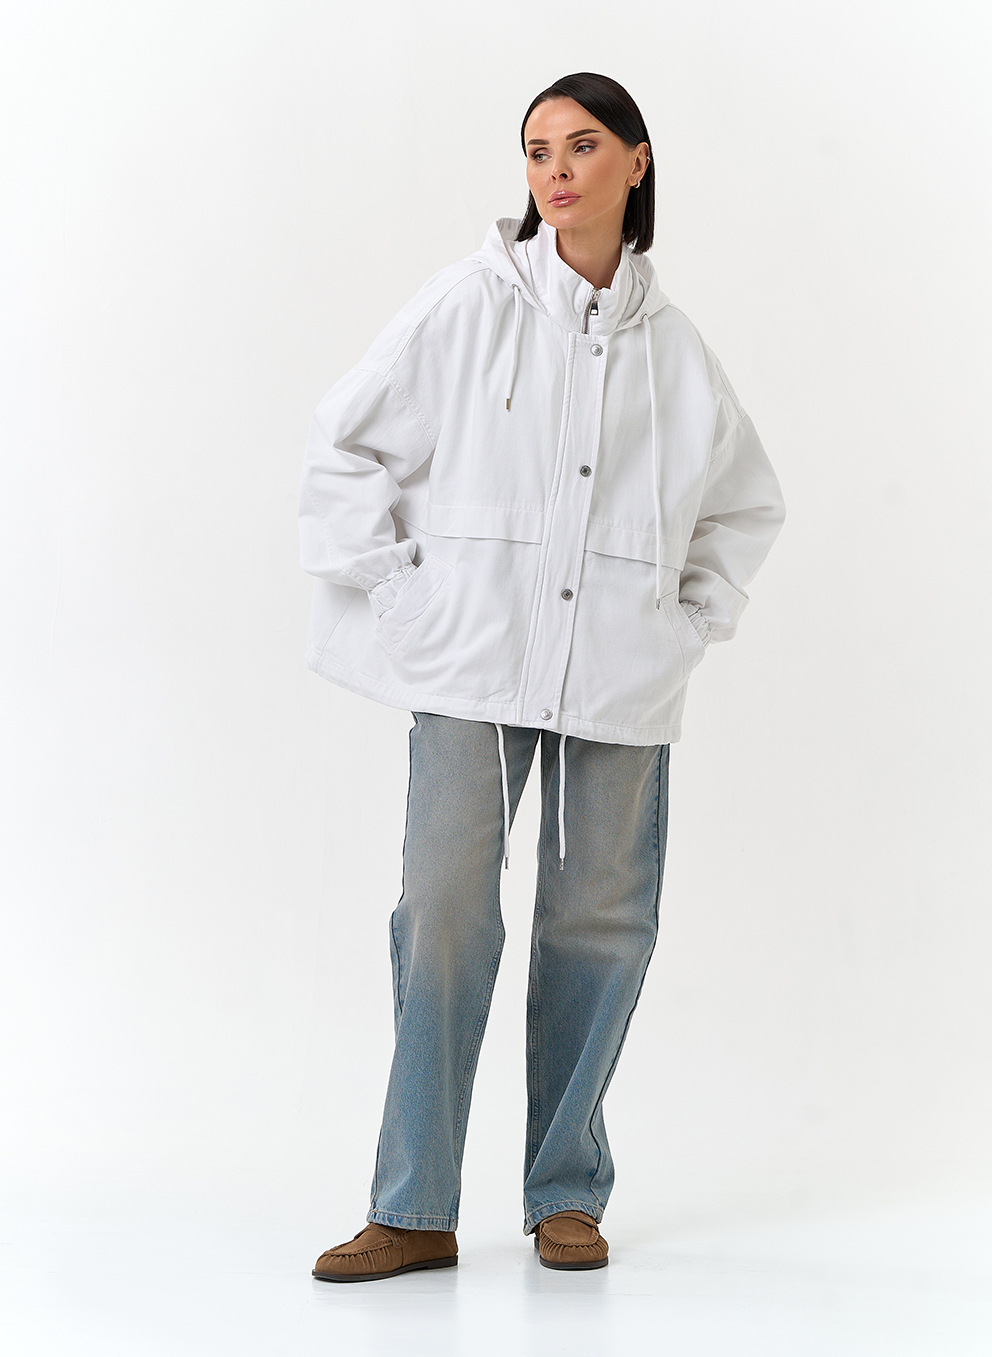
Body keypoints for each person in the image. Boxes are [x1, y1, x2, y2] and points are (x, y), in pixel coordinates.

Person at [298, 71, 785, 1282]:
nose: (554, 169)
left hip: (619, 680)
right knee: (443, 916)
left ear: (635, 161)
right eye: (534, 150)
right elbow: (343, 442)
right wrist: (405, 597)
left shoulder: (676, 353)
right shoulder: (469, 303)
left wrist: (682, 625)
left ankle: (564, 1189)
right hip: (470, 669)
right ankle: (412, 1205)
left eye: (579, 145)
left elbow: (743, 507)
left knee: (601, 925)